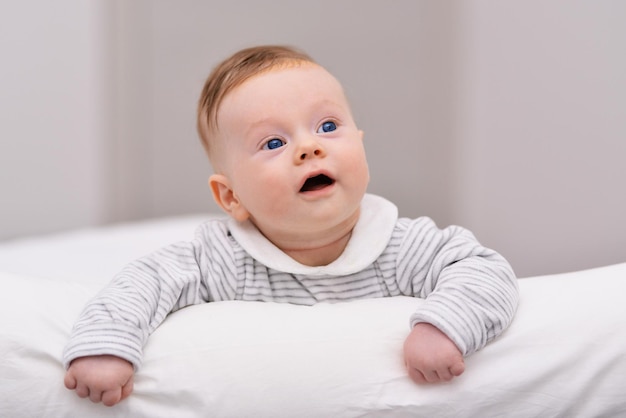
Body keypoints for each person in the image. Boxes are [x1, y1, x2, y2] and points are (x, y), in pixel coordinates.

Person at [63, 45, 519, 407]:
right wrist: (106, 348)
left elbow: (483, 268)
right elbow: (142, 284)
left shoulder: (401, 245)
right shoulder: (221, 260)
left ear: (360, 146)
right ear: (231, 197)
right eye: (274, 142)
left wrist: (444, 328)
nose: (309, 148)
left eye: (327, 126)